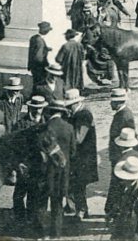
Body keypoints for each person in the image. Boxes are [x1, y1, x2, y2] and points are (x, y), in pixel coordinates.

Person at [34, 101, 75, 239]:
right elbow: (73, 152)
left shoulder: (43, 128)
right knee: (57, 204)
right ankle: (55, 235)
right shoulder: (69, 127)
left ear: (49, 111)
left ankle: (41, 234)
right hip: (62, 172)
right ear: (62, 112)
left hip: (44, 171)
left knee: (41, 203)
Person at [64, 89, 98, 220]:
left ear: (75, 104)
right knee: (74, 183)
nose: (67, 108)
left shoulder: (84, 115)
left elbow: (79, 138)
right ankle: (73, 207)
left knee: (79, 184)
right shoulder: (77, 113)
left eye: (69, 106)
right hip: (77, 156)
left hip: (84, 157)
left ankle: (82, 210)